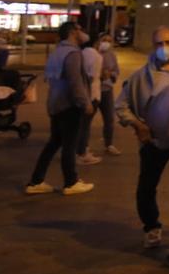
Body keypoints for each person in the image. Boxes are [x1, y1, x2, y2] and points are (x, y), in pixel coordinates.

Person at [115, 26, 169, 250]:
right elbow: (121, 105)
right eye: (158, 43)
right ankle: (151, 226)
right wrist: (137, 124)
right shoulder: (141, 77)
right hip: (155, 142)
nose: (164, 48)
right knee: (147, 187)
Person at [25, 22, 94, 196]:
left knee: (54, 143)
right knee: (69, 146)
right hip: (69, 105)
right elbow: (75, 82)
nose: (82, 33)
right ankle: (71, 182)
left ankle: (36, 181)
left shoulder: (57, 52)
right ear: (72, 32)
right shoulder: (73, 53)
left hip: (55, 104)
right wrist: (85, 102)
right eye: (80, 29)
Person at [76, 36, 104, 166]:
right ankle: (82, 153)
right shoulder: (97, 56)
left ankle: (80, 150)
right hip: (92, 95)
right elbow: (92, 77)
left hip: (81, 94)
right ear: (95, 42)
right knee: (85, 126)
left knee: (80, 124)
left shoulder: (80, 54)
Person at [97, 33, 121, 155]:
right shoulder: (93, 54)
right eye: (104, 40)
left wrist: (111, 75)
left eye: (109, 41)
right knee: (85, 120)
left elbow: (116, 71)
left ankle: (109, 144)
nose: (106, 43)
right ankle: (82, 147)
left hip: (107, 90)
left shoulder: (111, 55)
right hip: (94, 91)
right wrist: (100, 74)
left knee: (109, 119)